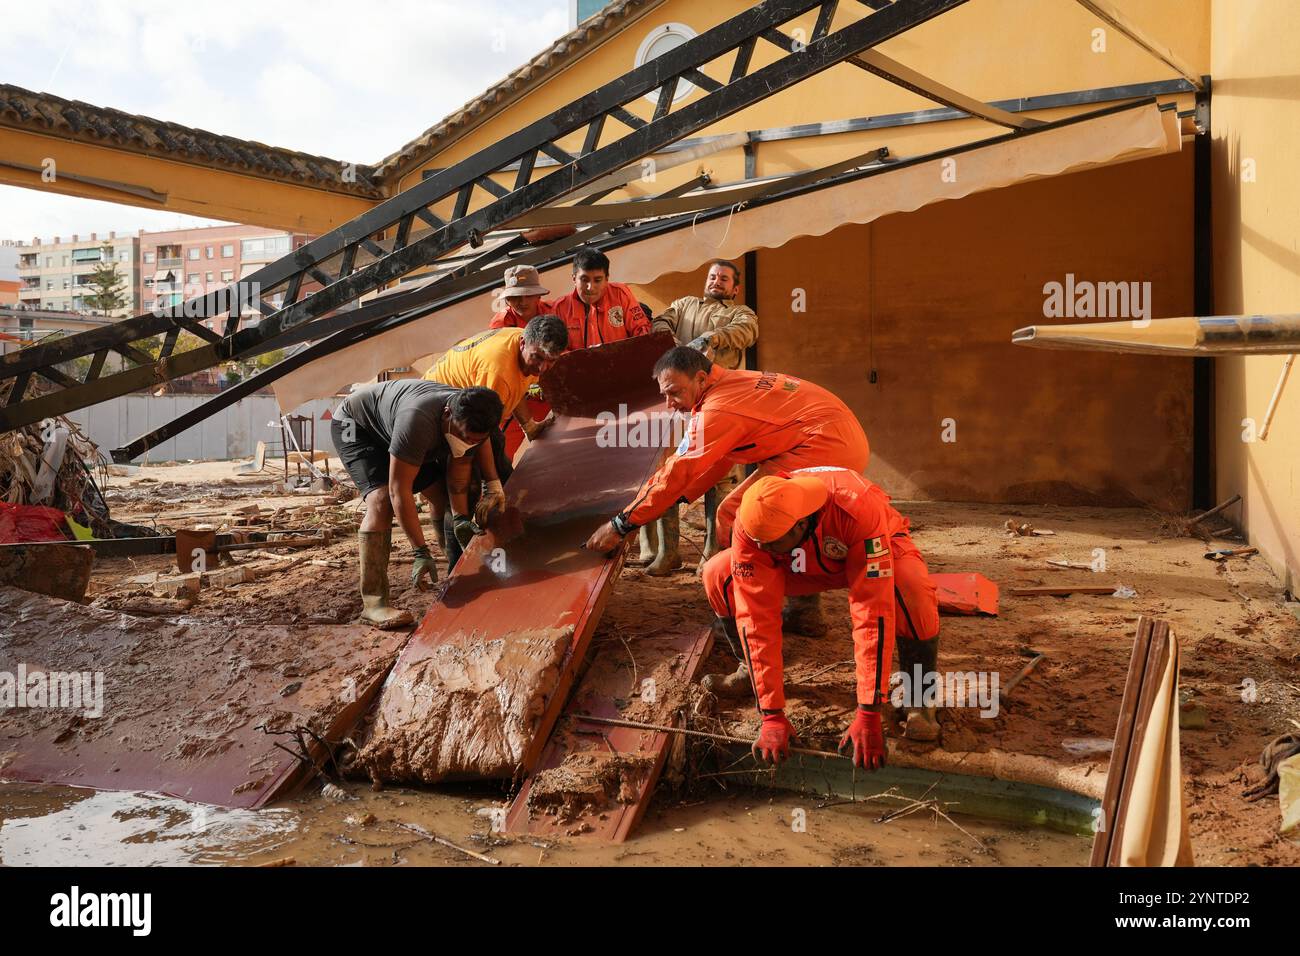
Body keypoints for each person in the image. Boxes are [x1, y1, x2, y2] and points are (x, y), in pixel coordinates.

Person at [584, 346, 869, 636]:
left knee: (741, 514)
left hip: (826, 446)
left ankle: (747, 611)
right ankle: (798, 608)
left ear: (700, 379)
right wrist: (677, 497)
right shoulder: (728, 382)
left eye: (675, 392)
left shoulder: (719, 407)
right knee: (746, 513)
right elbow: (722, 456)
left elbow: (680, 470)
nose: (670, 403)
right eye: (664, 395)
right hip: (832, 437)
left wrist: (621, 524)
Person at [700, 468, 941, 764]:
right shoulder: (754, 526)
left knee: (911, 586)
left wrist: (868, 711)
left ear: (800, 523)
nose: (760, 548)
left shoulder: (856, 508)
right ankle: (751, 674)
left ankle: (919, 692)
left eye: (769, 542)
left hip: (870, 546)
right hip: (796, 561)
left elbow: (871, 613)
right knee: (718, 573)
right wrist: (771, 714)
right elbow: (755, 619)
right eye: (757, 541)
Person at [331, 381, 503, 628]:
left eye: (475, 440)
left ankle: (455, 571)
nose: (468, 442)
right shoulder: (417, 421)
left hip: (400, 430)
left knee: (443, 496)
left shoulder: (472, 416)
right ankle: (374, 603)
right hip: (357, 426)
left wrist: (460, 518)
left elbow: (459, 470)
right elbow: (398, 490)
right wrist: (420, 551)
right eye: (464, 436)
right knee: (380, 501)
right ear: (447, 414)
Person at [636, 259, 759, 575]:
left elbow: (747, 332)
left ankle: (712, 551)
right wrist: (672, 342)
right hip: (678, 404)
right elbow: (661, 321)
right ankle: (668, 552)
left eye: (724, 278)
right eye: (713, 276)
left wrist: (710, 339)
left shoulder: (740, 313)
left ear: (735, 287)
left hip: (718, 404)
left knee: (718, 480)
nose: (717, 281)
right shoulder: (684, 305)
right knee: (669, 473)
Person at [423, 315, 568, 567]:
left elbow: (518, 385)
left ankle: (510, 549)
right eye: (538, 359)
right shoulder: (498, 371)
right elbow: (481, 434)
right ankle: (457, 569)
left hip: (474, 410)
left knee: (507, 482)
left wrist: (529, 426)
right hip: (442, 415)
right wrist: (491, 484)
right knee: (462, 494)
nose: (542, 368)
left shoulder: (526, 349)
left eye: (551, 361)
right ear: (523, 343)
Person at [551, 247, 651, 350]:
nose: (590, 287)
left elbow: (642, 332)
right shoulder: (560, 308)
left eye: (597, 280)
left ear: (607, 279)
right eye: (584, 280)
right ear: (574, 279)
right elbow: (556, 351)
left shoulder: (620, 294)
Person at [487, 264, 554, 331]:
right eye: (515, 296)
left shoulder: (554, 311)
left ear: (538, 296)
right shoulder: (500, 324)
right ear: (508, 299)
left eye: (528, 295)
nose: (523, 302)